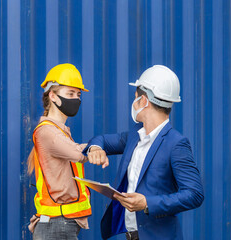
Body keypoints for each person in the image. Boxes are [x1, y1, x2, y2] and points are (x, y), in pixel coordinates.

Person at [85, 65, 204, 240]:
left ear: (144, 101)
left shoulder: (176, 144)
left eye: (135, 98)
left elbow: (195, 194)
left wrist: (147, 203)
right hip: (131, 236)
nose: (133, 103)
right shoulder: (134, 135)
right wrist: (95, 148)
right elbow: (101, 139)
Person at [27, 63, 93, 240]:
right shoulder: (47, 131)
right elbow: (79, 154)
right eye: (70, 93)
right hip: (57, 223)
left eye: (78, 95)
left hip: (61, 223)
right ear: (53, 96)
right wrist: (99, 146)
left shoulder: (60, 131)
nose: (76, 99)